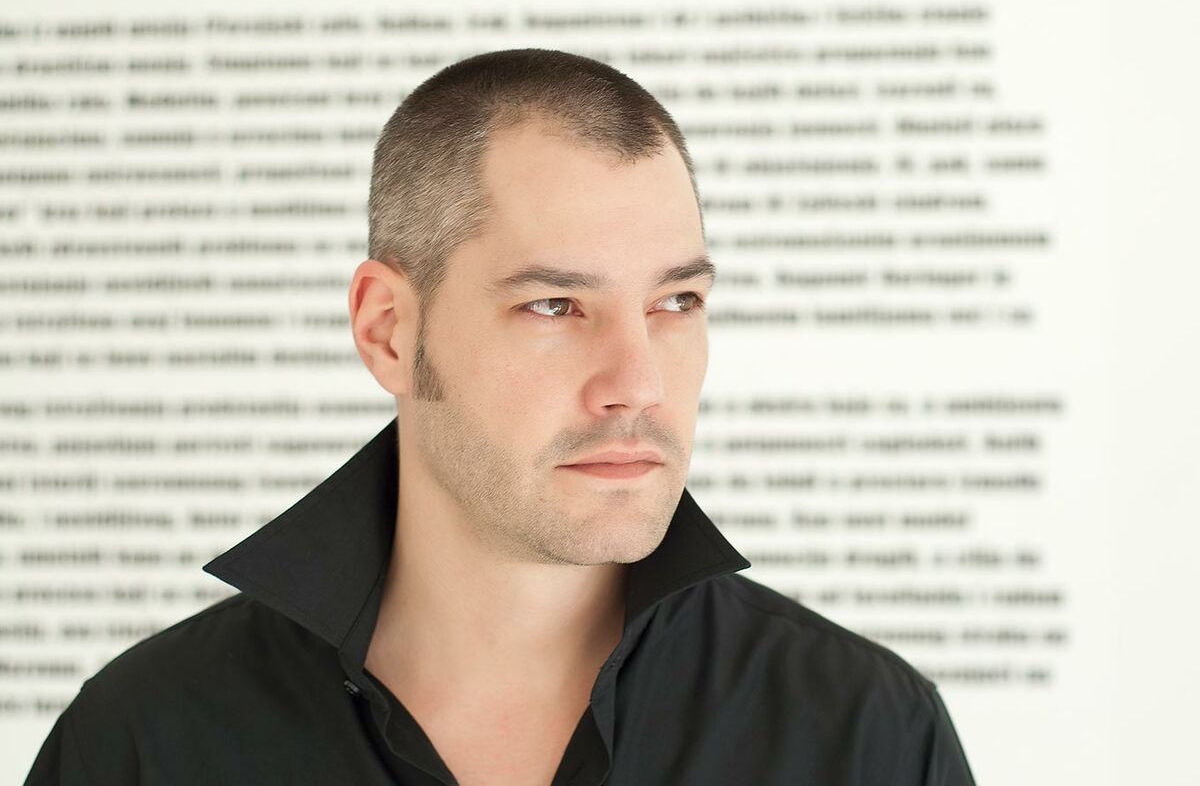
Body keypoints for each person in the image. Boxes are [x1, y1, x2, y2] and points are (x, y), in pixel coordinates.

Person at [24, 48, 976, 785]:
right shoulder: (144, 740)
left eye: (677, 302)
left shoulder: (867, 736)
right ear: (389, 330)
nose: (638, 383)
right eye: (555, 306)